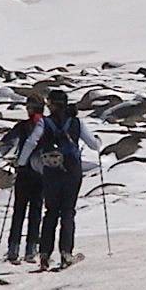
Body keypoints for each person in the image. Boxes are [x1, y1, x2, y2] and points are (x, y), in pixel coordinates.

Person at [17, 90, 101, 270]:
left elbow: (32, 142)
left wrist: (22, 163)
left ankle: (45, 255)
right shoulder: (76, 122)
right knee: (68, 212)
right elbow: (93, 144)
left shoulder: (44, 122)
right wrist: (98, 142)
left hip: (51, 170)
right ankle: (66, 253)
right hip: (72, 170)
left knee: (51, 211)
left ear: (53, 105)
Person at [0, 94, 45, 264]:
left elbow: (7, 141)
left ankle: (13, 249)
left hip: (24, 172)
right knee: (36, 210)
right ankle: (31, 249)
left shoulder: (23, 126)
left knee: (19, 210)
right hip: (41, 172)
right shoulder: (47, 124)